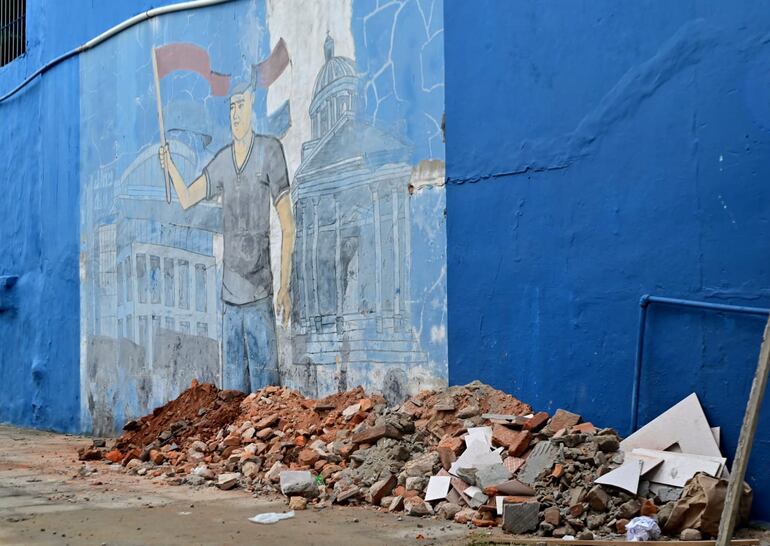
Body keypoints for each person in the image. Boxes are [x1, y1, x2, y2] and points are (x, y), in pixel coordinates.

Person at [158, 82, 295, 392]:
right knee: (231, 398)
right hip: (229, 300)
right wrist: (170, 168)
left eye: (241, 105)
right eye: (231, 107)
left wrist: (284, 287)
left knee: (266, 397)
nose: (235, 113)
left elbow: (288, 225)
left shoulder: (269, 151)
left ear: (252, 106)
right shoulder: (222, 161)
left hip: (260, 295)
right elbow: (187, 198)